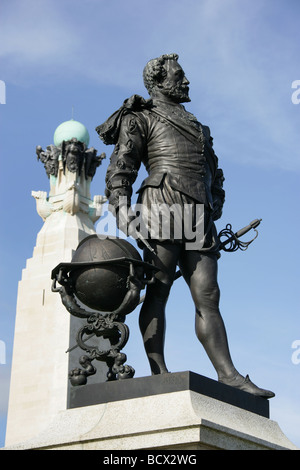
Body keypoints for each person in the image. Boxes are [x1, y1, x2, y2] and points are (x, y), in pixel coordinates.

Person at [96, 53, 274, 398]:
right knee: (159, 289)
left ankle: (229, 375)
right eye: (180, 76)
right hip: (160, 207)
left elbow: (213, 171)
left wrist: (215, 200)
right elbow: (122, 168)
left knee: (208, 294)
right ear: (159, 82)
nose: (187, 81)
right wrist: (122, 210)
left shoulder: (197, 126)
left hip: (198, 214)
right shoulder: (139, 117)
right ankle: (158, 369)